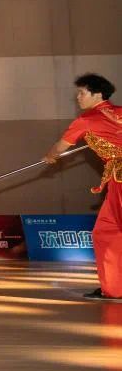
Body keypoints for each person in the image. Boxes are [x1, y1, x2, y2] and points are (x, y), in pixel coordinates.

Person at [43, 73, 122, 300]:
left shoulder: (86, 120)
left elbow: (60, 147)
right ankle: (114, 288)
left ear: (98, 94)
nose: (78, 97)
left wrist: (50, 156)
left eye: (81, 92)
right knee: (106, 232)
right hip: (115, 179)